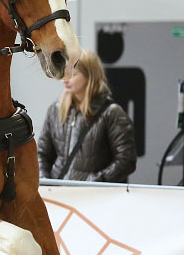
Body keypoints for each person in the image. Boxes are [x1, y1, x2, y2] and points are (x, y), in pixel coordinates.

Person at [37, 48, 136, 182]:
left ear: (90, 75)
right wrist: (45, 181)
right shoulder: (55, 110)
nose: (65, 78)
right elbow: (42, 154)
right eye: (64, 72)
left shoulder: (111, 112)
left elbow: (126, 160)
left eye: (73, 73)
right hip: (58, 193)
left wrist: (96, 181)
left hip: (93, 197)